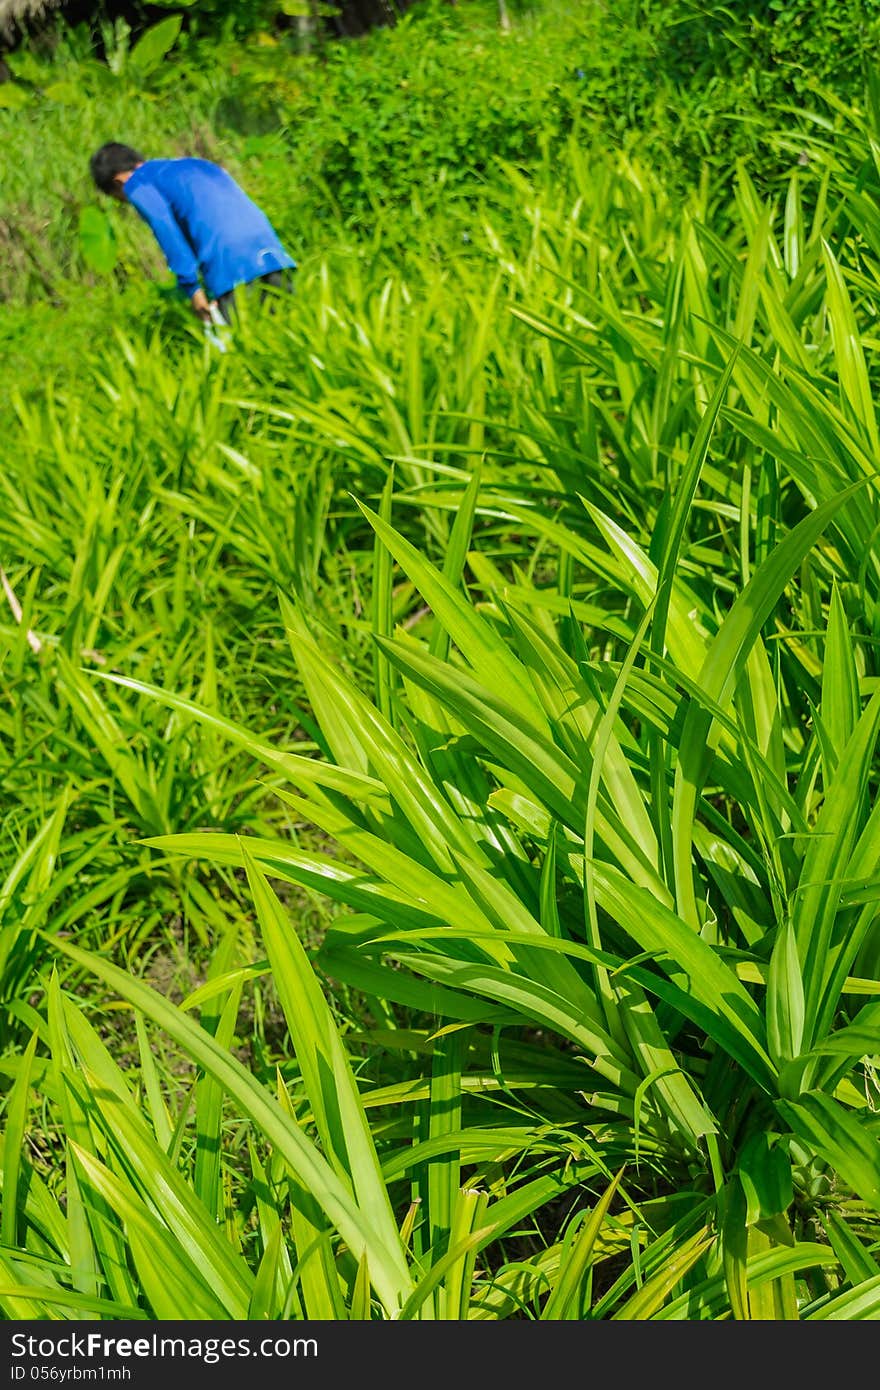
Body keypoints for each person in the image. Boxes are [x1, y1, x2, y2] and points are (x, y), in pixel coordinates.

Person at [89, 142, 295, 323]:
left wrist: (192, 289)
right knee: (287, 327)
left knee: (238, 346)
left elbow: (167, 233)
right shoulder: (192, 164)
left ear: (118, 182)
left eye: (119, 198)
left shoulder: (137, 184)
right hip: (270, 248)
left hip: (228, 257)